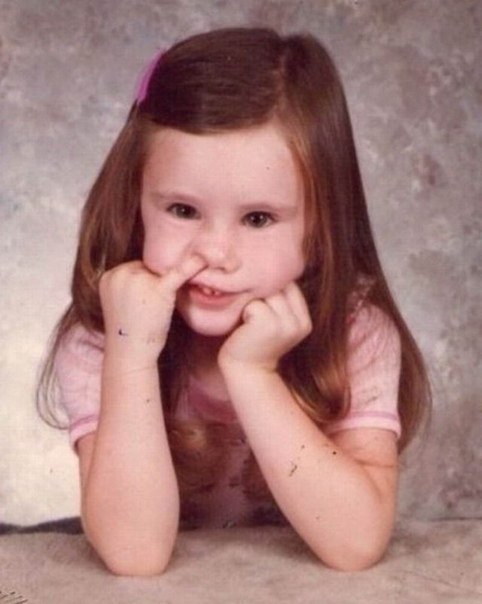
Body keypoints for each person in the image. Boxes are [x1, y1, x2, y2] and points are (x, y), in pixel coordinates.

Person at [37, 27, 430, 576]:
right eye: (182, 210)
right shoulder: (108, 335)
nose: (216, 252)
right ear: (135, 205)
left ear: (321, 228)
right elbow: (134, 554)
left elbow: (356, 543)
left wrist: (253, 374)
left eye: (258, 218)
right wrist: (131, 356)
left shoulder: (354, 334)